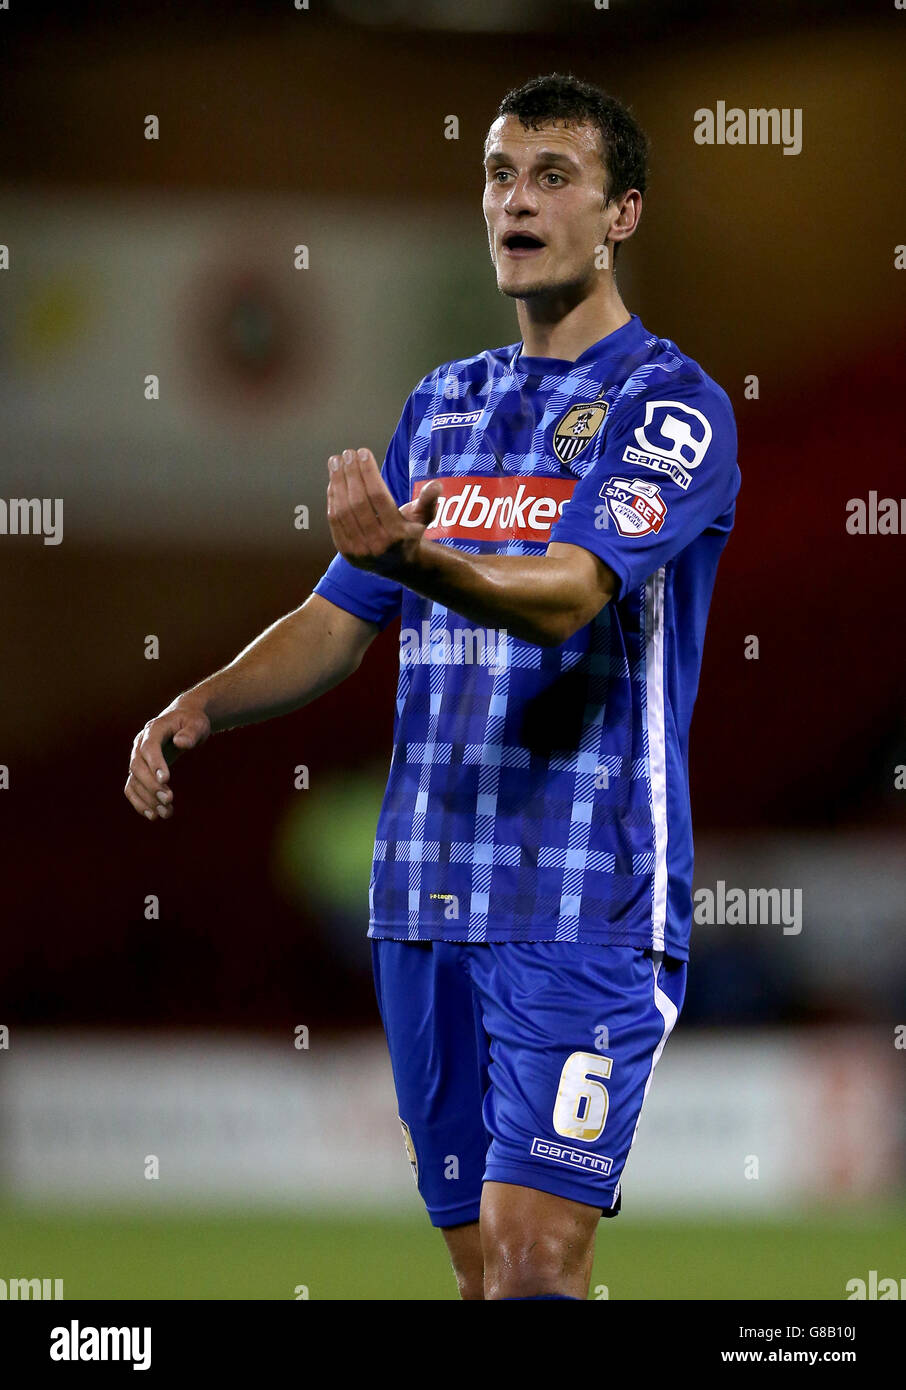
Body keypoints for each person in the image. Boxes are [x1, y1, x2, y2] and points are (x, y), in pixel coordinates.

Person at [125, 72, 741, 1300]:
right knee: (480, 1273)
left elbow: (569, 590)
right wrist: (203, 699)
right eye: (501, 176)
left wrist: (416, 554)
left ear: (623, 213)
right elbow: (339, 619)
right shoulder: (442, 407)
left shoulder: (671, 407)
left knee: (532, 1260)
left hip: (585, 900)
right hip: (423, 896)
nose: (517, 201)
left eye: (553, 177)